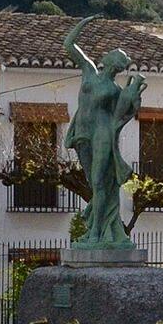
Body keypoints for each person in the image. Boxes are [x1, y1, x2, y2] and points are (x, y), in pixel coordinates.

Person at [63, 16, 144, 248]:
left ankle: (97, 231)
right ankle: (101, 227)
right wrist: (84, 23)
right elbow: (69, 44)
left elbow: (124, 114)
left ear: (113, 64)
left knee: (99, 183)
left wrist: (134, 99)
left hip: (102, 136)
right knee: (95, 183)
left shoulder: (116, 90)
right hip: (81, 135)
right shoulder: (88, 71)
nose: (108, 57)